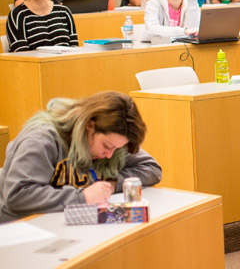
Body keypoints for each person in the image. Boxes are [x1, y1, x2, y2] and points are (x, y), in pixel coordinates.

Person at [0, 91, 162, 222]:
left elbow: (152, 169)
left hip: (62, 221)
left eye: (117, 148)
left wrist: (112, 183)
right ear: (89, 126)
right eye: (107, 146)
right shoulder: (41, 139)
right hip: (20, 226)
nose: (109, 155)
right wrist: (82, 197)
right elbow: (17, 196)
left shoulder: (113, 139)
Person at [6, 0, 78, 52]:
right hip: (35, 64)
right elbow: (21, 53)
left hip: (65, 62)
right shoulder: (18, 15)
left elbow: (74, 47)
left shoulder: (64, 11)